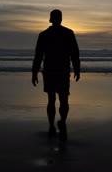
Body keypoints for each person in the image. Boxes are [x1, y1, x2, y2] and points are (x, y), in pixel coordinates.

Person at [32, 9, 80, 142]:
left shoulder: (44, 35)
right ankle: (62, 121)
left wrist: (34, 72)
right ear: (61, 19)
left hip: (50, 72)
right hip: (63, 72)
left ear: (50, 19)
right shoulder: (68, 33)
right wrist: (77, 68)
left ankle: (52, 125)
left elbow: (38, 56)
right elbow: (74, 54)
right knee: (64, 99)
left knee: (51, 99)